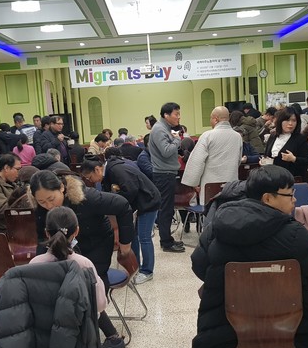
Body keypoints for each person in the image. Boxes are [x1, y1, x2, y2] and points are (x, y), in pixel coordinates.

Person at [190, 165, 308, 348]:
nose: (295, 200)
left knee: (219, 295)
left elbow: (199, 266)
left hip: (225, 323)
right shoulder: (295, 235)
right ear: (268, 198)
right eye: (290, 194)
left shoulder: (217, 227)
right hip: (289, 324)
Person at [29, 170, 133, 348]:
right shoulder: (41, 208)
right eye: (42, 202)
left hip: (97, 243)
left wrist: (125, 243)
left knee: (89, 289)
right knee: (67, 289)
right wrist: (41, 267)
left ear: (62, 188)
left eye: (51, 199)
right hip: (69, 246)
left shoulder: (86, 197)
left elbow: (123, 205)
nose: (48, 206)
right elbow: (42, 237)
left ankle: (112, 339)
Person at [81, 156, 160, 284]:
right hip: (137, 205)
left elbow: (130, 190)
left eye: (90, 177)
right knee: (133, 236)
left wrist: (116, 202)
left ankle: (147, 271)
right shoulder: (109, 173)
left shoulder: (116, 170)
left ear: (97, 169)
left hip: (148, 202)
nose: (90, 181)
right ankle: (135, 266)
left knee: (144, 237)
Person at [182, 106, 242, 204]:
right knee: (229, 209)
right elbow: (238, 160)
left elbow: (197, 161)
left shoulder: (207, 135)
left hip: (210, 184)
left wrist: (194, 183)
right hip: (231, 184)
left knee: (210, 209)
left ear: (215, 119)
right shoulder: (237, 136)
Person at [148, 102, 186, 253]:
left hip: (167, 173)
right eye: (176, 114)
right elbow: (166, 151)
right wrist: (177, 140)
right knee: (166, 209)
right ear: (166, 115)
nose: (179, 117)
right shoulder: (159, 129)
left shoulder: (165, 128)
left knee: (168, 208)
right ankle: (166, 243)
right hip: (163, 174)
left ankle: (167, 239)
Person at [263, 107, 308, 179]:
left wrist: (294, 159)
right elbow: (267, 154)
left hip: (290, 178)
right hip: (271, 177)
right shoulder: (273, 136)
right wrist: (264, 161)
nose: (290, 123)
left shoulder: (300, 139)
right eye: (287, 120)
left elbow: (307, 161)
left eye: (294, 120)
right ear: (280, 121)